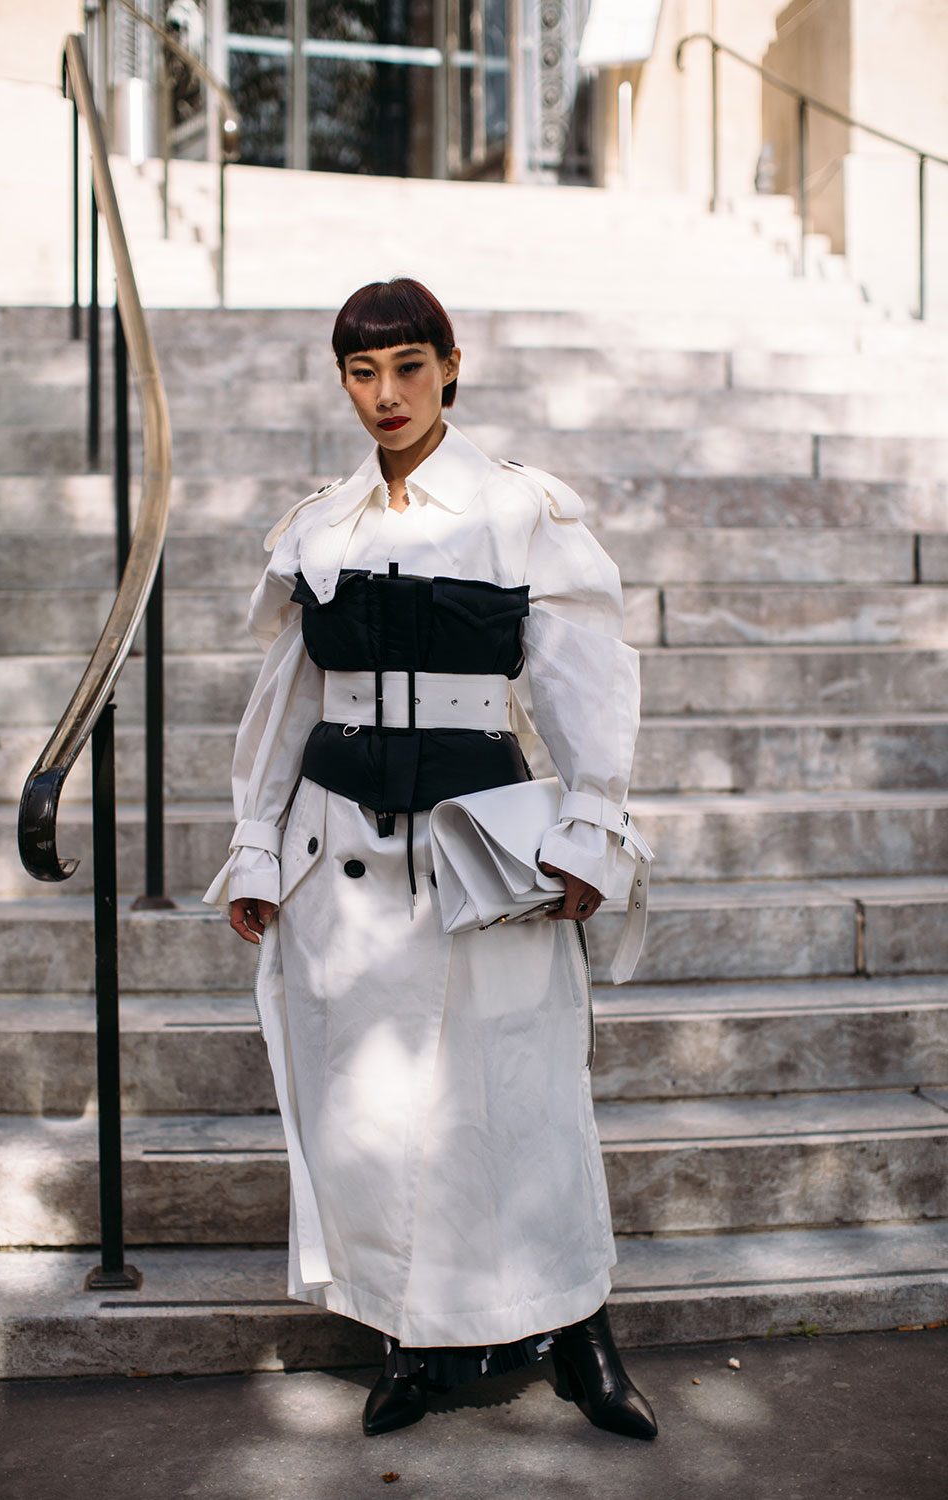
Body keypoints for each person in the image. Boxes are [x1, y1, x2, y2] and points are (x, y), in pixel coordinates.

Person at [204, 277, 656, 1441]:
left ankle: (577, 1329)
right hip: (340, 851)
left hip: (481, 848)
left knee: (525, 1094)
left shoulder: (519, 510)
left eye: (407, 367)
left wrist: (594, 825)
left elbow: (586, 678)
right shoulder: (321, 522)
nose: (385, 395)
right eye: (362, 373)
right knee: (379, 1108)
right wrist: (256, 847)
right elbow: (288, 695)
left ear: (451, 364)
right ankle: (413, 1337)